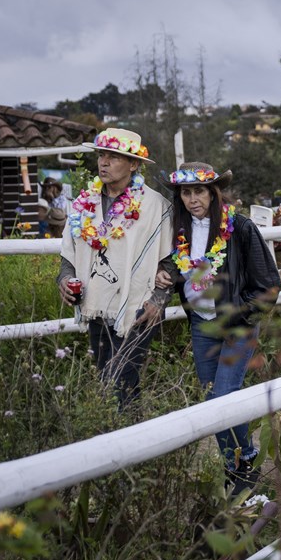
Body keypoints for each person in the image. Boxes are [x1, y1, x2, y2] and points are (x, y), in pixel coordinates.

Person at [157, 161, 280, 494]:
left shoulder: (239, 227)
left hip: (237, 324)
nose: (193, 199)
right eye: (186, 192)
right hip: (201, 325)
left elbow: (269, 284)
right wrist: (162, 273)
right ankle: (233, 465)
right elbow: (172, 266)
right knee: (214, 400)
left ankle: (247, 459)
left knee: (225, 396)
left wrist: (241, 315)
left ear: (213, 193)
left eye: (199, 191)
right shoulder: (177, 231)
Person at [57, 128, 174, 406]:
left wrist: (159, 299)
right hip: (96, 302)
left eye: (113, 156)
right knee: (106, 378)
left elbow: (169, 258)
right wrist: (65, 278)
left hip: (139, 306)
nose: (104, 162)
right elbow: (69, 252)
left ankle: (129, 441)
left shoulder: (155, 205)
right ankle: (121, 438)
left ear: (134, 164)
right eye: (101, 155)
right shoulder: (83, 204)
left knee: (123, 378)